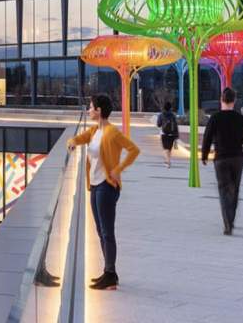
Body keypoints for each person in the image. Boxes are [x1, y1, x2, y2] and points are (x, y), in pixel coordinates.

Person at [67, 93, 140, 291]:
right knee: (100, 231)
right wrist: (72, 142)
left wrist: (118, 169)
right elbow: (79, 138)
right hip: (95, 186)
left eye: (91, 107)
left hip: (107, 187)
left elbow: (134, 150)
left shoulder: (111, 132)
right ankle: (109, 273)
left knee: (107, 232)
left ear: (99, 111)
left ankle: (110, 275)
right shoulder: (94, 131)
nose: (89, 110)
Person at [200, 87, 243, 235]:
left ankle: (227, 224)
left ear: (221, 100)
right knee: (234, 189)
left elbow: (207, 137)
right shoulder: (240, 118)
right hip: (237, 158)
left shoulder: (215, 118)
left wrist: (204, 155)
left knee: (223, 190)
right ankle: (232, 219)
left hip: (221, 158)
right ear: (234, 101)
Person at [156, 98, 180, 167]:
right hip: (172, 134)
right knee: (169, 148)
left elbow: (158, 124)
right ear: (170, 108)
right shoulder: (173, 115)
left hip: (164, 134)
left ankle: (168, 161)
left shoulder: (161, 115)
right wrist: (176, 136)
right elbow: (175, 125)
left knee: (165, 148)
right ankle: (168, 160)